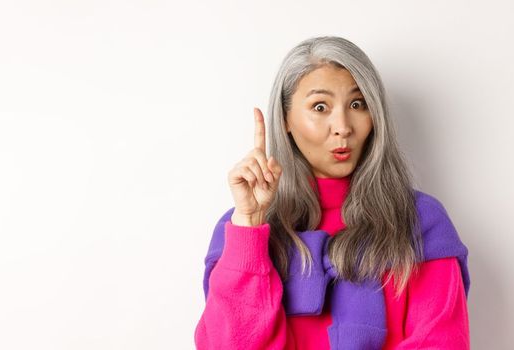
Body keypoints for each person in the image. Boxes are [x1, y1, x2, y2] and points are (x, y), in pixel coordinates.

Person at [193, 36, 470, 349]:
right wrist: (249, 227)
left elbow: (441, 341)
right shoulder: (240, 228)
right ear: (285, 120)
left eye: (357, 104)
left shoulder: (420, 221)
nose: (343, 126)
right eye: (320, 107)